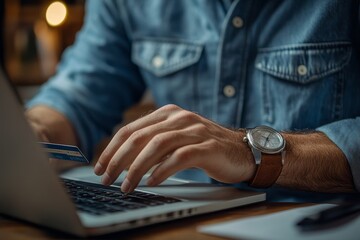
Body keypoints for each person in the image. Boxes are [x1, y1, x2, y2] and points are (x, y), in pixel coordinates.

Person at [26, 0, 360, 202]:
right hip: (181, 221)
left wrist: (250, 151)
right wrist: (32, 131)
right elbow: (77, 96)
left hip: (319, 222)